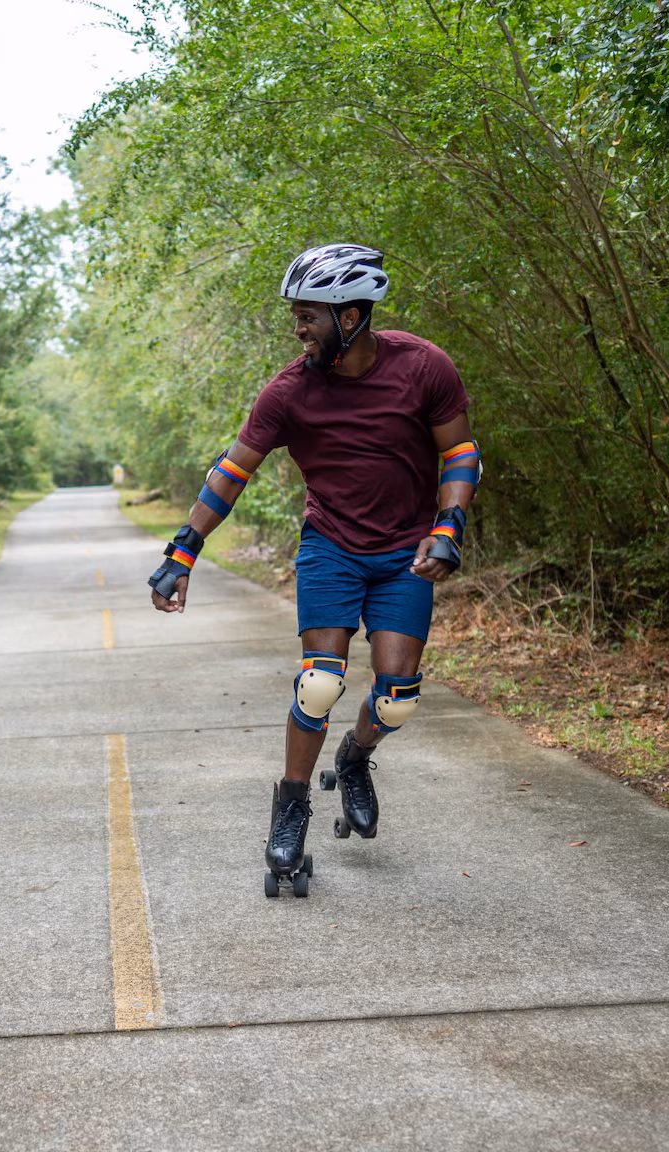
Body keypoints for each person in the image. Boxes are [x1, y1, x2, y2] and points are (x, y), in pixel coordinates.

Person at [147, 244, 482, 897]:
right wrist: (182, 552)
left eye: (308, 316)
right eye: (296, 315)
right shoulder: (290, 390)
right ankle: (292, 807)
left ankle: (356, 757)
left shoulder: (424, 367)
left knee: (397, 700)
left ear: (351, 315)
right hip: (330, 545)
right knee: (319, 685)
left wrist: (449, 528)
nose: (298, 328)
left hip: (405, 551)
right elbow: (231, 472)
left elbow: (460, 452)